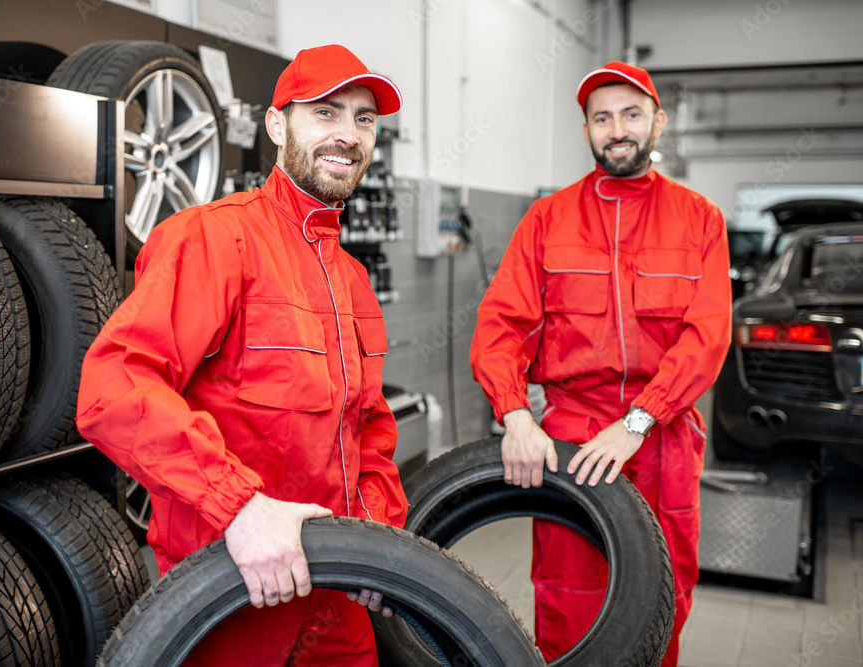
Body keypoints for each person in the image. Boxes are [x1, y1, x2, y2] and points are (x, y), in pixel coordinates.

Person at [77, 44, 407, 666]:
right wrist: (241, 507)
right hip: (233, 591)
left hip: (338, 602)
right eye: (327, 113)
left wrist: (380, 539)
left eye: (364, 119)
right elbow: (114, 388)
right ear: (278, 126)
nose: (348, 135)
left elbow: (368, 430)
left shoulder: (354, 280)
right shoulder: (210, 239)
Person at [470, 60, 732, 666]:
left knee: (661, 595)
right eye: (602, 118)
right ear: (586, 128)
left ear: (657, 123)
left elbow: (707, 336)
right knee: (568, 596)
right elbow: (501, 326)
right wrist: (514, 415)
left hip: (662, 440)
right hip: (570, 434)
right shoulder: (547, 219)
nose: (617, 129)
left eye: (631, 115)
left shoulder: (699, 219)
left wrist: (639, 420)